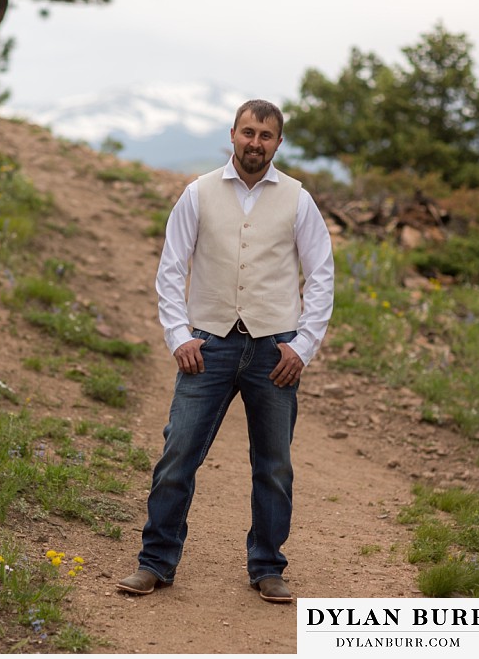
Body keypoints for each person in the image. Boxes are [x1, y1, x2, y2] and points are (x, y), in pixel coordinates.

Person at [117, 100, 334, 603]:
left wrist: (303, 346)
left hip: (274, 352)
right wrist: (178, 336)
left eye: (266, 136)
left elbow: (321, 276)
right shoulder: (197, 194)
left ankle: (267, 566)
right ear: (232, 134)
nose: (255, 143)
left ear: (278, 144)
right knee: (178, 456)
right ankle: (155, 563)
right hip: (207, 346)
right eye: (248, 132)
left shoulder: (299, 200)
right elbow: (171, 269)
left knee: (274, 466)